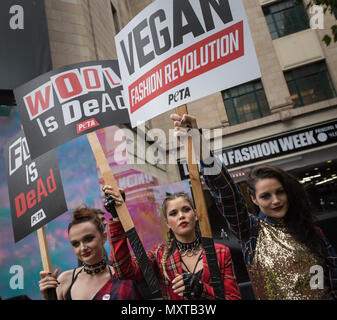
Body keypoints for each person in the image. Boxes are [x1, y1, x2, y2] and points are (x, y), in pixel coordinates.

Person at [171, 113, 337, 300]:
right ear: (254, 199)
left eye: (280, 192)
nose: (275, 201)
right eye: (266, 196)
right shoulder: (251, 232)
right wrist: (198, 141)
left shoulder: (313, 232)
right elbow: (225, 192)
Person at [103, 185, 241, 300]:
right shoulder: (160, 255)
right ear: (167, 223)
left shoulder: (220, 252)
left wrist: (202, 289)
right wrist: (117, 218)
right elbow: (124, 270)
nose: (181, 216)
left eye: (186, 210)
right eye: (173, 213)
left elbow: (233, 298)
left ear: (196, 215)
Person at [38, 206, 143, 300]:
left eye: (88, 239)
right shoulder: (64, 281)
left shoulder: (124, 276)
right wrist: (48, 297)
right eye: (76, 244)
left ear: (103, 237)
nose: (83, 248)